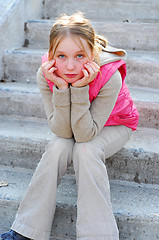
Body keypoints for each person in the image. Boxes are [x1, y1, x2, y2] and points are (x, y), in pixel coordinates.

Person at [1, 12, 139, 240]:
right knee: (57, 147)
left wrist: (81, 88)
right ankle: (27, 232)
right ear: (52, 54)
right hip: (76, 124)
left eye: (80, 56)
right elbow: (63, 132)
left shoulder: (109, 75)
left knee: (86, 150)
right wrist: (62, 89)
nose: (71, 66)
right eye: (62, 56)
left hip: (115, 125)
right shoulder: (47, 73)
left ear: (92, 52)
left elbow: (85, 135)